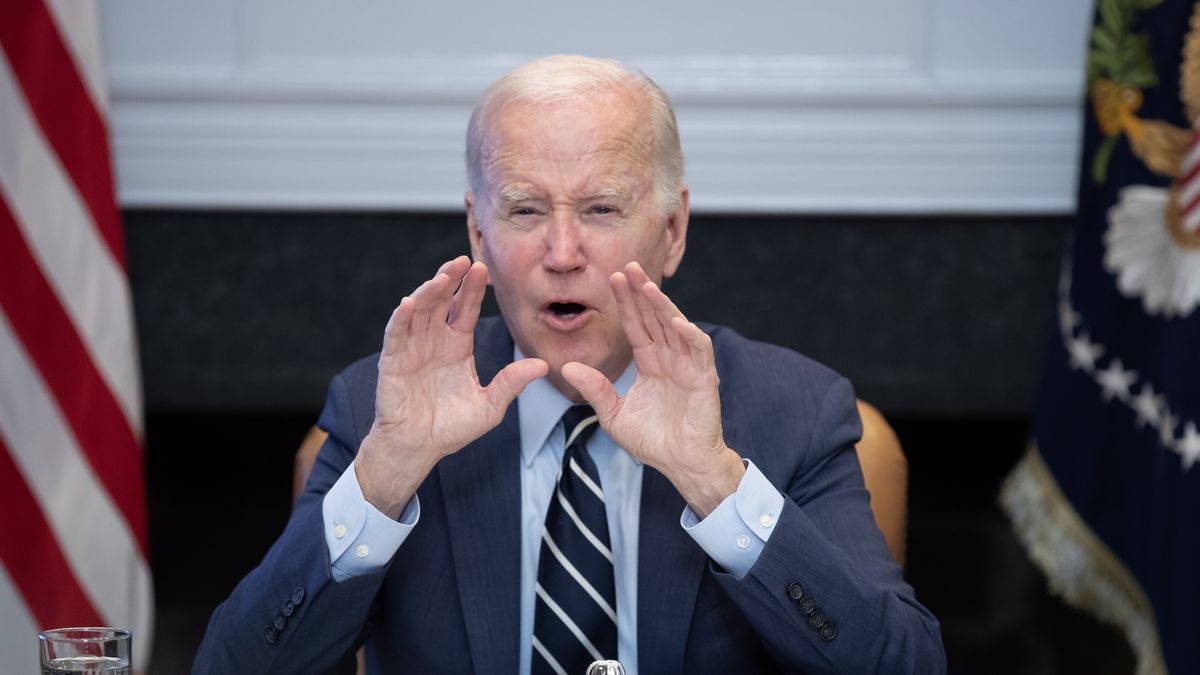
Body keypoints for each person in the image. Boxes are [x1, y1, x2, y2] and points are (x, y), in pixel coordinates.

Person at [194, 55, 945, 675]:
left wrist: (718, 484)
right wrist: (385, 474)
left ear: (674, 229)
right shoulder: (379, 408)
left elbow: (905, 665)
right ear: (477, 229)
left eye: (601, 210)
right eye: (524, 211)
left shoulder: (794, 410)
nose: (561, 254)